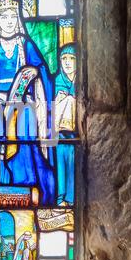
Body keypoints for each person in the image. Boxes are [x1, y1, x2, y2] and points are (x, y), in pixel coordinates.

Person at [0, 0, 56, 206]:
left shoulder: (26, 45)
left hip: (22, 101)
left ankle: (23, 178)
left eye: (13, 16)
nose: (9, 21)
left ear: (18, 18)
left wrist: (35, 72)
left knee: (25, 114)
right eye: (4, 17)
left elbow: (44, 73)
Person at [55, 44, 77, 207]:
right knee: (60, 166)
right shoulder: (56, 81)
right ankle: (60, 198)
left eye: (72, 59)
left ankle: (71, 199)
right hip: (58, 134)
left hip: (77, 134)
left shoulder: (81, 81)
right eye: (64, 59)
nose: (67, 62)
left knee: (74, 166)